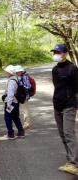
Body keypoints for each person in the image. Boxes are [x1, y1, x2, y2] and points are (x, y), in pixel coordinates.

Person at [51, 44, 78, 175]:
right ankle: (70, 160)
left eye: (59, 52)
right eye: (55, 52)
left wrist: (75, 103)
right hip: (57, 105)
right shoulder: (55, 69)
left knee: (69, 133)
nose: (56, 54)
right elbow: (56, 86)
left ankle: (74, 163)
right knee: (62, 134)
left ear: (65, 53)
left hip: (69, 105)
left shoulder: (72, 68)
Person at [2, 65, 25, 140]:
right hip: (16, 102)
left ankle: (10, 134)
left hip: (11, 102)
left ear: (10, 72)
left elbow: (10, 94)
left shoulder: (11, 81)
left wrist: (8, 104)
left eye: (7, 72)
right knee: (15, 117)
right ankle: (21, 132)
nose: (6, 73)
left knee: (7, 117)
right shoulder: (16, 79)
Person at [14, 65, 32, 130]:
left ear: (21, 71)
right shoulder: (19, 76)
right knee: (22, 109)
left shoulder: (25, 76)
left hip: (24, 96)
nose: (17, 73)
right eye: (16, 72)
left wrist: (21, 85)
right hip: (19, 95)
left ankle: (27, 124)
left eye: (18, 71)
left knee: (25, 110)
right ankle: (24, 123)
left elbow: (28, 86)